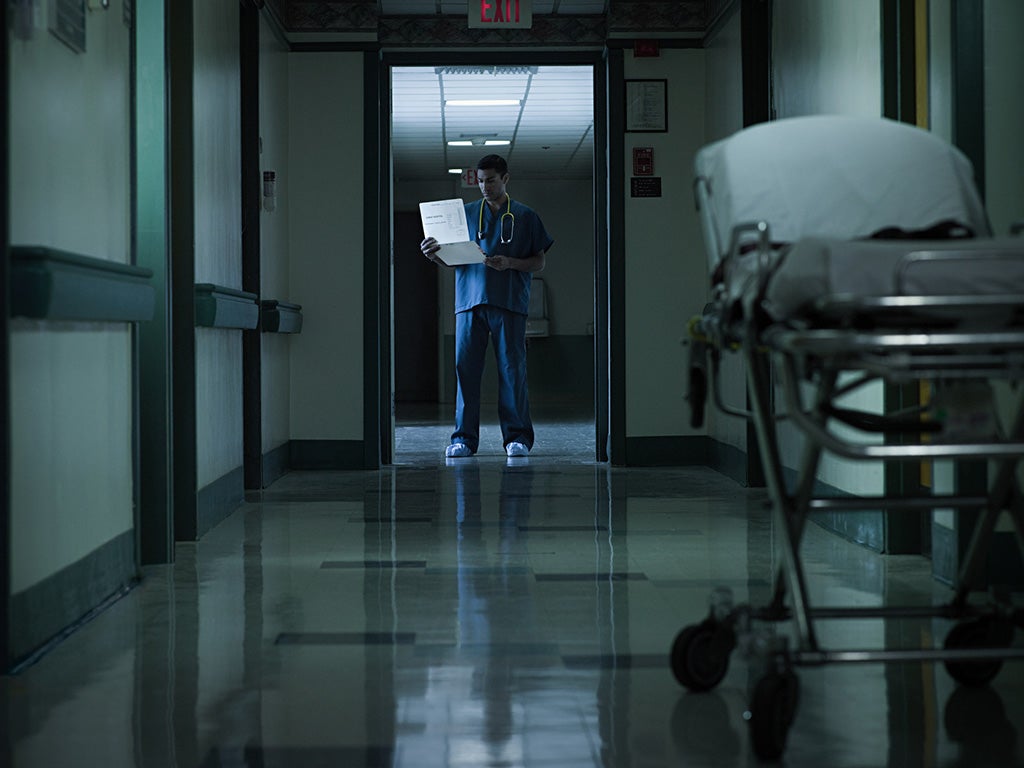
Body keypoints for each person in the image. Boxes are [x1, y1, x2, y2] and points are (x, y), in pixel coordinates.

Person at [420, 154, 553, 459]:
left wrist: (510, 263)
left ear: (506, 179)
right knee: (466, 372)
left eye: (491, 180)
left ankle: (517, 438)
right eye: (480, 180)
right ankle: (464, 439)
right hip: (470, 303)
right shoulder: (464, 215)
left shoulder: (525, 216)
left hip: (508, 303)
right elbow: (451, 259)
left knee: (512, 371)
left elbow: (539, 260)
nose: (484, 186)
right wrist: (432, 255)